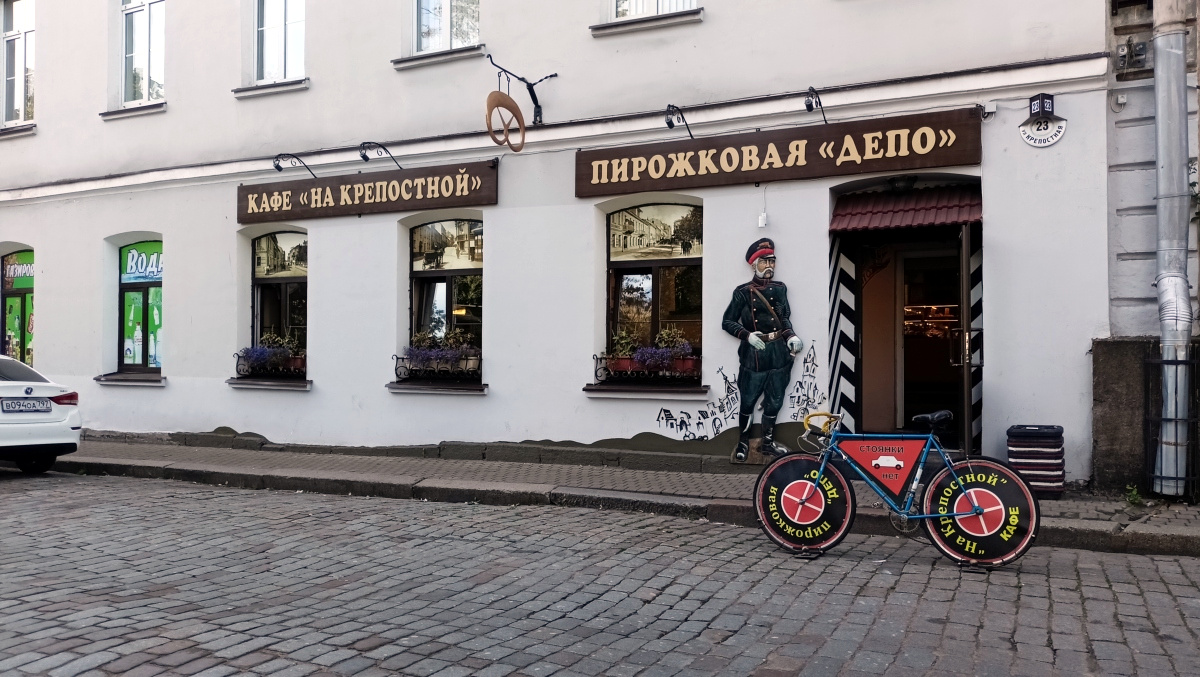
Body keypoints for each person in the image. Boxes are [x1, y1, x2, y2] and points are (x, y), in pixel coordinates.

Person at [722, 238, 805, 462]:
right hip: (754, 355)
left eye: (772, 261)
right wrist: (747, 335)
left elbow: (784, 318)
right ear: (753, 264)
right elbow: (727, 322)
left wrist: (791, 336)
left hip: (778, 352)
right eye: (764, 261)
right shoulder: (742, 292)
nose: (769, 265)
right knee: (748, 401)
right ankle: (743, 442)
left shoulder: (780, 289)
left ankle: (767, 443)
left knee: (775, 400)